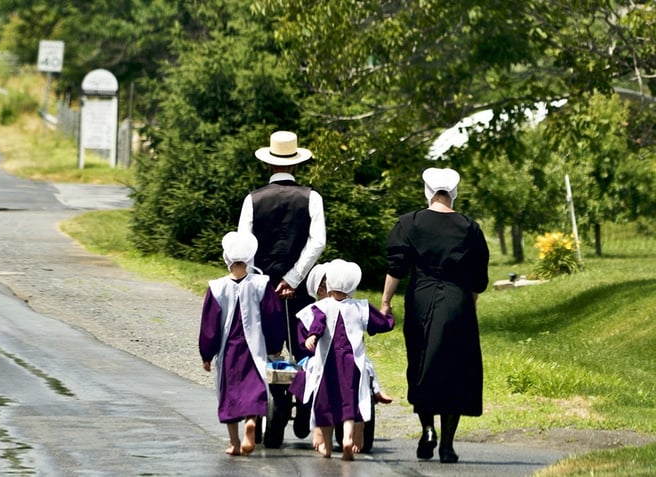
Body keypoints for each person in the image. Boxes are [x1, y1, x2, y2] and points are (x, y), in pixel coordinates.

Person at [380, 167, 490, 464]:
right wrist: (471, 304)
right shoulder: (470, 227)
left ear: (427, 192)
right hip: (458, 301)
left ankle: (427, 429)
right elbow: (478, 277)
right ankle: (448, 444)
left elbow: (396, 267)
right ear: (454, 193)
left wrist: (385, 302)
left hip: (421, 299)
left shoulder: (408, 223)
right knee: (455, 368)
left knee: (421, 362)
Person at [238, 130, 326, 361]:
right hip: (300, 286)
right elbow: (318, 242)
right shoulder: (312, 197)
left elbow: (244, 247)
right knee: (304, 349)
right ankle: (303, 395)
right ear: (296, 166)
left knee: (265, 349)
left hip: (262, 286)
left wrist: (255, 282)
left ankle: (274, 395)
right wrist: (293, 278)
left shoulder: (252, 199)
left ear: (268, 164)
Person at [290, 261, 394, 456]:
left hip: (326, 364)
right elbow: (380, 323)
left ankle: (326, 445)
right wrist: (389, 317)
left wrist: (312, 336)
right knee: (350, 401)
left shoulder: (319, 308)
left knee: (325, 403)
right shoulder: (360, 307)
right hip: (351, 363)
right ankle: (348, 436)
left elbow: (315, 326)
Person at [199, 231, 285, 456]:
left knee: (230, 392)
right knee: (253, 386)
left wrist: (206, 354)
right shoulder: (261, 284)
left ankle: (234, 442)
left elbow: (210, 324)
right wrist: (275, 346)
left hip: (228, 349)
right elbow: (273, 316)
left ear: (227, 258)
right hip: (253, 348)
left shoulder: (217, 287)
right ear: (249, 258)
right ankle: (251, 421)